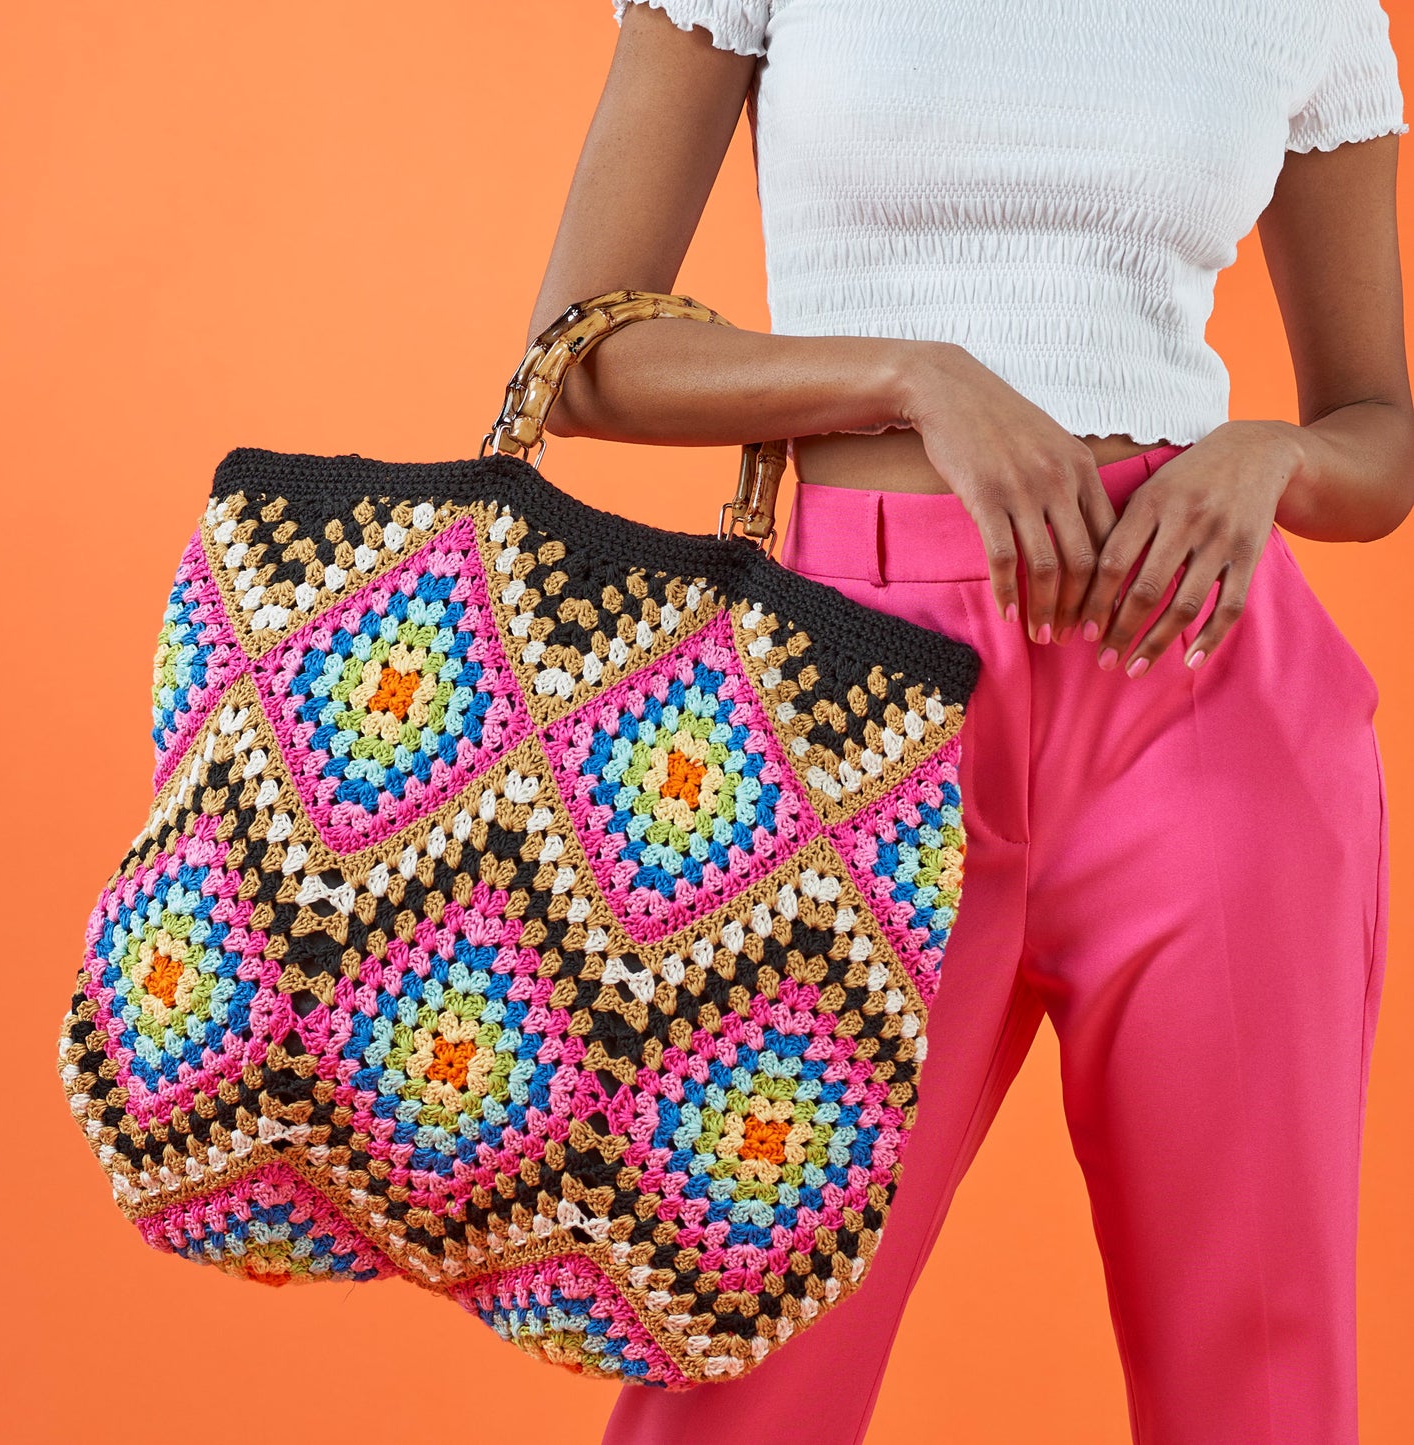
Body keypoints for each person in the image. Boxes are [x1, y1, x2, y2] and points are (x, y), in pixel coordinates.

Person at [523, 2, 1413, 1441]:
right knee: (743, 1362)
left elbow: (1380, 429)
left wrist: (1272, 458)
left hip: (1199, 683)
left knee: (1258, 1378)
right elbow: (580, 353)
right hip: (855, 706)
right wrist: (910, 372)